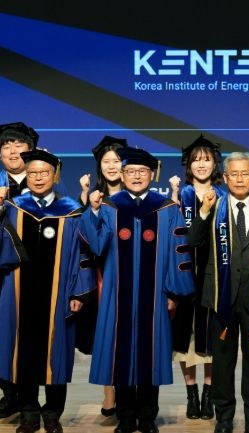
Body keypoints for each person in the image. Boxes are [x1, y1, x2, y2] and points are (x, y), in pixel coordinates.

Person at [80, 147, 195, 433]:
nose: (136, 176)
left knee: (150, 354)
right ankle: (125, 417)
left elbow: (179, 252)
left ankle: (147, 417)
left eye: (142, 171)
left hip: (155, 296)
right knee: (120, 354)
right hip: (117, 296)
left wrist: (173, 293)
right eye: (130, 171)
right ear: (122, 175)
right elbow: (96, 246)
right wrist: (93, 211)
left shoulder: (167, 209)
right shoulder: (110, 207)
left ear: (152, 175)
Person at [188, 151, 249, 433]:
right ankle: (224, 417)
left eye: (245, 174)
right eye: (234, 174)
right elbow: (193, 240)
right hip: (221, 295)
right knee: (222, 362)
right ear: (225, 177)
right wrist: (203, 212)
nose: (240, 179)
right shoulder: (214, 205)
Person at [0, 149, 96, 433]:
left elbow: (84, 254)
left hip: (59, 295)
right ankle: (29, 413)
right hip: (19, 294)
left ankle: (53, 414)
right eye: (32, 173)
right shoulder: (13, 208)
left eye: (44, 172)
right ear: (26, 176)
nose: (38, 178)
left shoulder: (72, 211)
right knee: (23, 353)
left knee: (57, 353)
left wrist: (78, 293)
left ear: (55, 176)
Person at [168, 135, 223, 421]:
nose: (201, 165)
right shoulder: (181, 197)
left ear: (215, 164)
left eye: (207, 159)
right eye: (196, 160)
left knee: (211, 336)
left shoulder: (224, 196)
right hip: (185, 277)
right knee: (185, 338)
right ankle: (191, 393)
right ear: (188, 165)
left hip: (215, 277)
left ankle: (209, 393)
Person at [77, 135, 129, 418]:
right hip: (102, 276)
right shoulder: (92, 198)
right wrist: (89, 203)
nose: (111, 166)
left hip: (130, 275)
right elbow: (85, 242)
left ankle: (128, 392)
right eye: (106, 161)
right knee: (106, 336)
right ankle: (109, 393)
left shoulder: (134, 197)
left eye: (117, 161)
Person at [0, 121, 38, 420]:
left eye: (18, 145)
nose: (12, 151)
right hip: (2, 274)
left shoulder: (45, 181)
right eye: (6, 146)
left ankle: (29, 403)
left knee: (28, 339)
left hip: (35, 273)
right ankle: (9, 394)